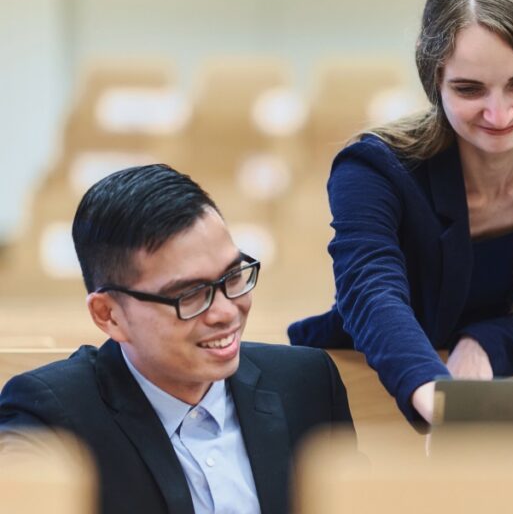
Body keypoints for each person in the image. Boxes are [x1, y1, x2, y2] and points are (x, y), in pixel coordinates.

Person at [288, 0, 513, 423]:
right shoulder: (373, 168)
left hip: (510, 403)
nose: (499, 115)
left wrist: (485, 344)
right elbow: (371, 293)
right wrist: (439, 397)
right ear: (434, 80)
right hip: (371, 399)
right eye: (469, 90)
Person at [0, 164, 355, 514]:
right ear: (109, 314)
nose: (226, 312)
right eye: (190, 295)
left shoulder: (308, 384)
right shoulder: (50, 415)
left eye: (233, 277)